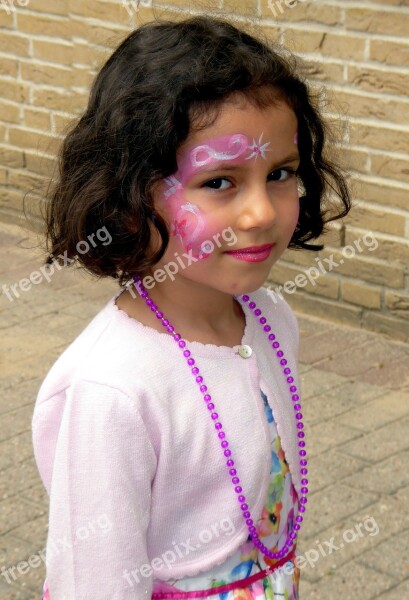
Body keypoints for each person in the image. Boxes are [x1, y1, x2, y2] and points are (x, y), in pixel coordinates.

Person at [32, 14, 351, 600]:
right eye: (220, 182)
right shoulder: (112, 392)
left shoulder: (271, 318)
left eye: (279, 173)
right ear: (129, 193)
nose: (261, 212)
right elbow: (93, 581)